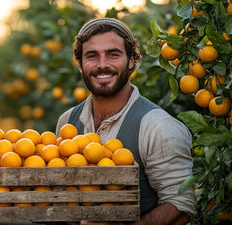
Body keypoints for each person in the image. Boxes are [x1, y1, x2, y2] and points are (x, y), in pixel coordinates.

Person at [55, 18, 196, 225]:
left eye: (113, 54)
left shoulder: (158, 126)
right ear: (80, 64)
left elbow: (180, 205)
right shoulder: (67, 122)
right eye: (92, 56)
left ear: (131, 60)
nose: (102, 65)